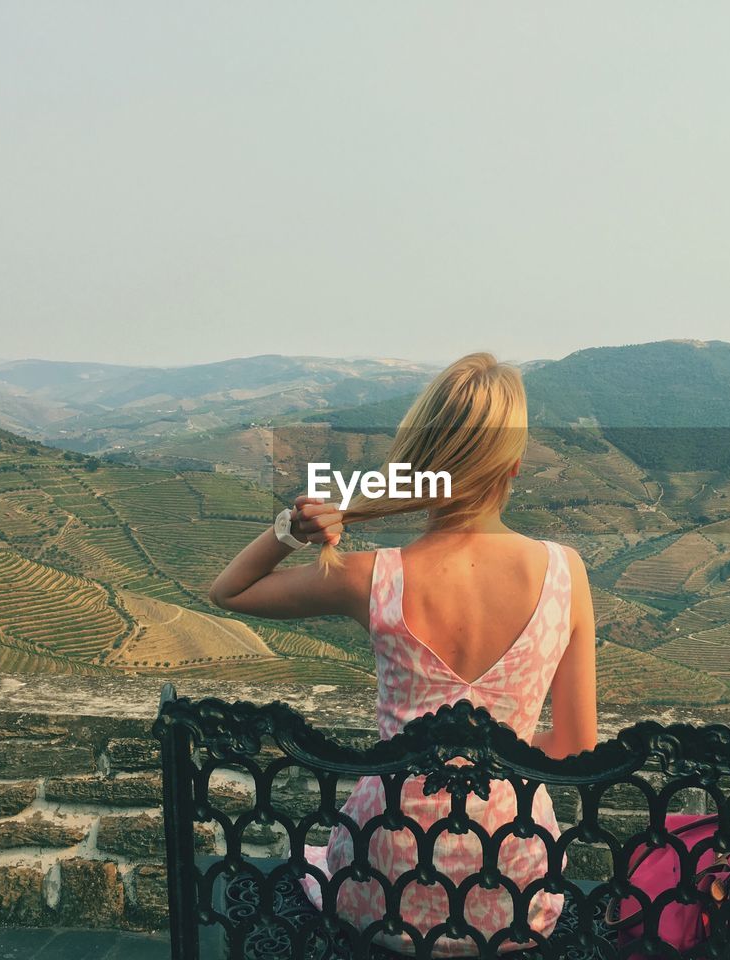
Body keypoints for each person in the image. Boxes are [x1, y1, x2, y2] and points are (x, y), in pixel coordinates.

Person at [209, 352, 598, 956]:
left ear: (417, 465)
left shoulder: (373, 578)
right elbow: (575, 746)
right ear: (515, 465)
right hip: (516, 883)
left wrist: (291, 527)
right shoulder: (564, 574)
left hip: (380, 879)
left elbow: (229, 591)